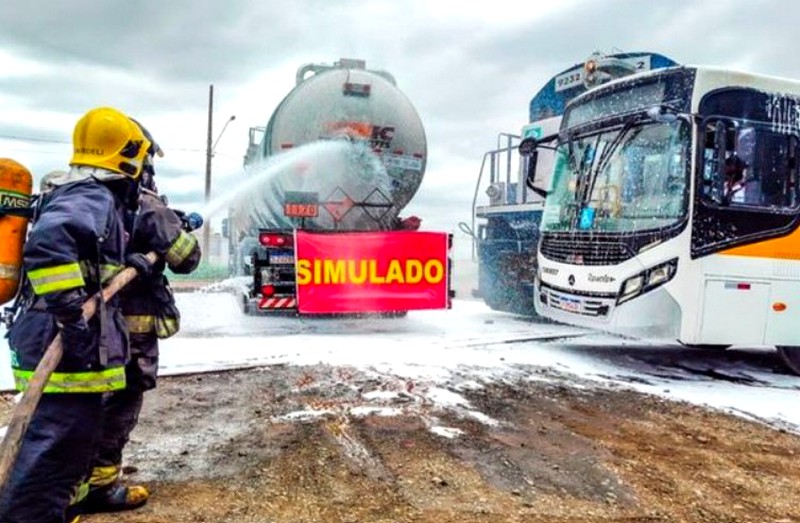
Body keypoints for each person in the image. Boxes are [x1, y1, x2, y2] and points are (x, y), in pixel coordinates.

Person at [0, 106, 151, 523]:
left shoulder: (75, 191)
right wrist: (73, 318)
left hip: (51, 341)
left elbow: (85, 264)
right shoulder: (92, 195)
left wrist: (132, 264)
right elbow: (48, 247)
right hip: (60, 345)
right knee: (51, 458)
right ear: (127, 154)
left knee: (57, 451)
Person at [76, 119, 202, 514]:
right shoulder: (146, 205)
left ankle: (71, 481)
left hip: (77, 328)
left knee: (78, 406)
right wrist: (173, 228)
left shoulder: (73, 198)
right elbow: (187, 259)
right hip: (128, 332)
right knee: (120, 404)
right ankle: (100, 485)